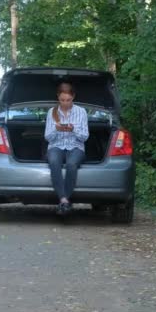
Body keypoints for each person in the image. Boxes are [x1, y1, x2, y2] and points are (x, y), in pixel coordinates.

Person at [44, 82, 89, 215]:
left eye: (68, 100)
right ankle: (64, 200)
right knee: (54, 162)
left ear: (73, 97)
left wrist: (73, 129)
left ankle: (64, 200)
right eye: (62, 100)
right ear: (58, 97)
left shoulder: (81, 112)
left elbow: (85, 137)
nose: (65, 103)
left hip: (76, 147)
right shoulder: (51, 112)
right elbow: (48, 137)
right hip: (56, 145)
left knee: (71, 164)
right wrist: (56, 129)